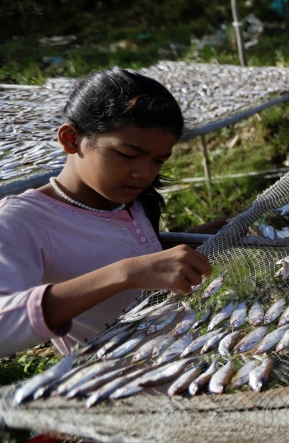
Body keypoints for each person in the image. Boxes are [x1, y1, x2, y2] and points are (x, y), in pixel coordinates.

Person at [0, 69, 226, 357]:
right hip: (115, 382)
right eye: (126, 155)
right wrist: (125, 273)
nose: (144, 173)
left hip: (178, 354)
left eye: (158, 160)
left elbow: (122, 248)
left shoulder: (130, 200)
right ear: (71, 139)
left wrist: (196, 239)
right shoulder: (22, 221)